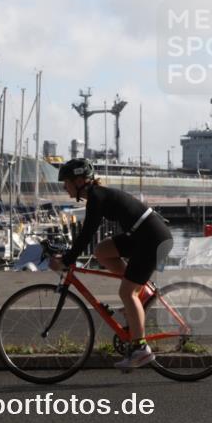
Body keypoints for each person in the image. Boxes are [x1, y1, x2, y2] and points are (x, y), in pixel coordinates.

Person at [49, 158, 174, 368]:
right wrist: (68, 256)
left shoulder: (97, 197)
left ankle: (141, 349)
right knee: (102, 251)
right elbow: (87, 238)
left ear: (79, 181)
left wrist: (67, 260)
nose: (64, 187)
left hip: (152, 239)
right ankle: (142, 292)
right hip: (142, 235)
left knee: (127, 293)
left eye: (66, 182)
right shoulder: (97, 196)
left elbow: (87, 233)